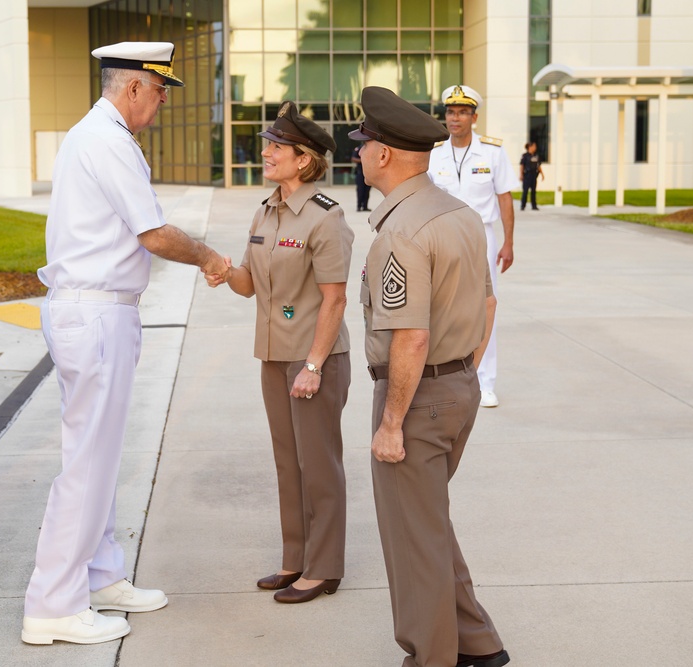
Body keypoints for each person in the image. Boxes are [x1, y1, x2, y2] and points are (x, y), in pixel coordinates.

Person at [22, 41, 228, 645]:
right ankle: (53, 603)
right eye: (160, 90)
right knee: (86, 463)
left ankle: (100, 573)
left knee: (101, 456)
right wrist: (210, 256)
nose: (163, 103)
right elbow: (155, 234)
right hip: (95, 313)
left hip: (98, 312)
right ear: (133, 86)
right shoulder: (108, 140)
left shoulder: (96, 133)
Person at [351, 86, 509, 667]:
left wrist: (393, 421)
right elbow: (488, 305)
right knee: (429, 525)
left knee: (412, 539)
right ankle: (478, 645)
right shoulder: (462, 215)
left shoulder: (401, 230)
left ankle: (432, 656)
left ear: (385, 155)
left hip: (414, 399)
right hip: (457, 388)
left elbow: (409, 336)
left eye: (364, 145)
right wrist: (463, 372)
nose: (360, 155)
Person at [208, 101, 354, 604]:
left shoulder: (324, 219)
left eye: (276, 147)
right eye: (267, 144)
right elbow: (250, 286)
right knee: (287, 462)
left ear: (304, 160)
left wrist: (313, 365)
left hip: (315, 358)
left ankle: (325, 567)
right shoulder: (265, 210)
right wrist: (224, 271)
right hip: (275, 356)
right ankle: (296, 560)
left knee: (319, 463)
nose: (266, 152)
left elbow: (334, 298)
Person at [428, 85, 519, 409]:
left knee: (485, 306)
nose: (455, 118)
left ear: (474, 117)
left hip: (482, 236)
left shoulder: (492, 152)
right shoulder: (435, 153)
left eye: (462, 112)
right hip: (443, 235)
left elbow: (504, 197)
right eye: (451, 112)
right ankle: (448, 375)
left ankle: (485, 381)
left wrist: (508, 242)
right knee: (443, 305)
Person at [519, 141, 544, 211]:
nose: (535, 148)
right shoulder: (525, 156)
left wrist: (542, 174)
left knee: (533, 191)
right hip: (527, 175)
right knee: (525, 191)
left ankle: (534, 206)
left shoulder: (536, 156)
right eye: (534, 146)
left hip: (534, 175)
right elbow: (522, 165)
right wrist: (521, 175)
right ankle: (522, 206)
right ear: (530, 147)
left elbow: (539, 165)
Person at [352, 142, 372, 211]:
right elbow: (353, 158)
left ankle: (365, 206)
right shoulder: (358, 148)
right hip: (360, 173)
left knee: (367, 191)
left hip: (368, 172)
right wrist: (363, 160)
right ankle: (359, 206)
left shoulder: (370, 149)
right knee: (360, 190)